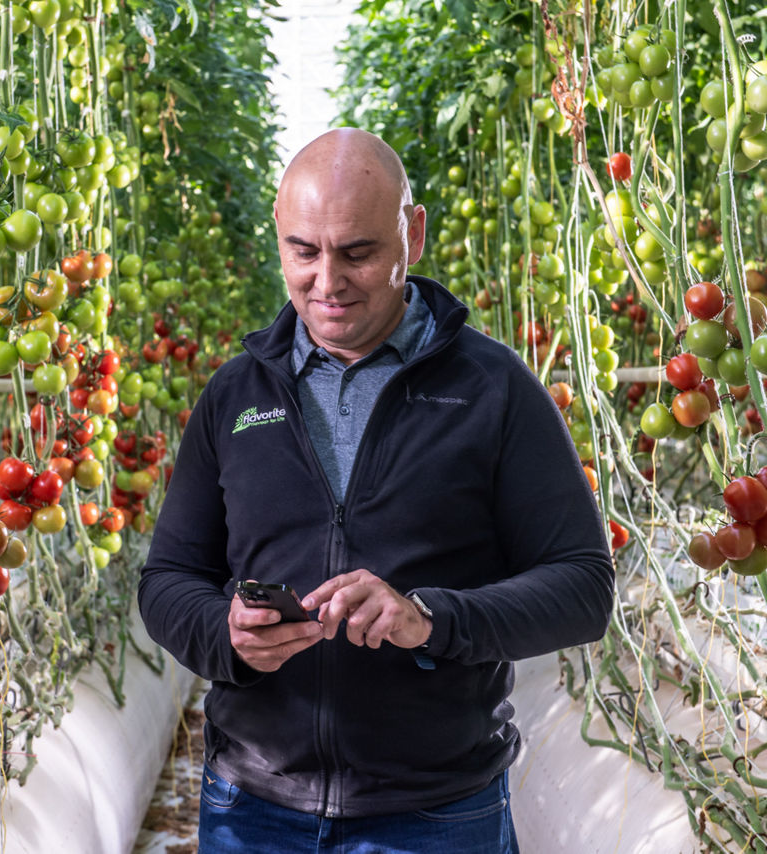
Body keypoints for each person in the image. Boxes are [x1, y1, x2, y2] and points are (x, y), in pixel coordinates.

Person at [139, 128, 615, 852]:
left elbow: (583, 587)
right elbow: (169, 577)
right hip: (252, 807)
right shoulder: (236, 395)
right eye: (303, 251)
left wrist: (428, 618)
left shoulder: (493, 390)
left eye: (358, 253)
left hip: (435, 815)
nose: (327, 282)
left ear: (412, 235)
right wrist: (226, 635)